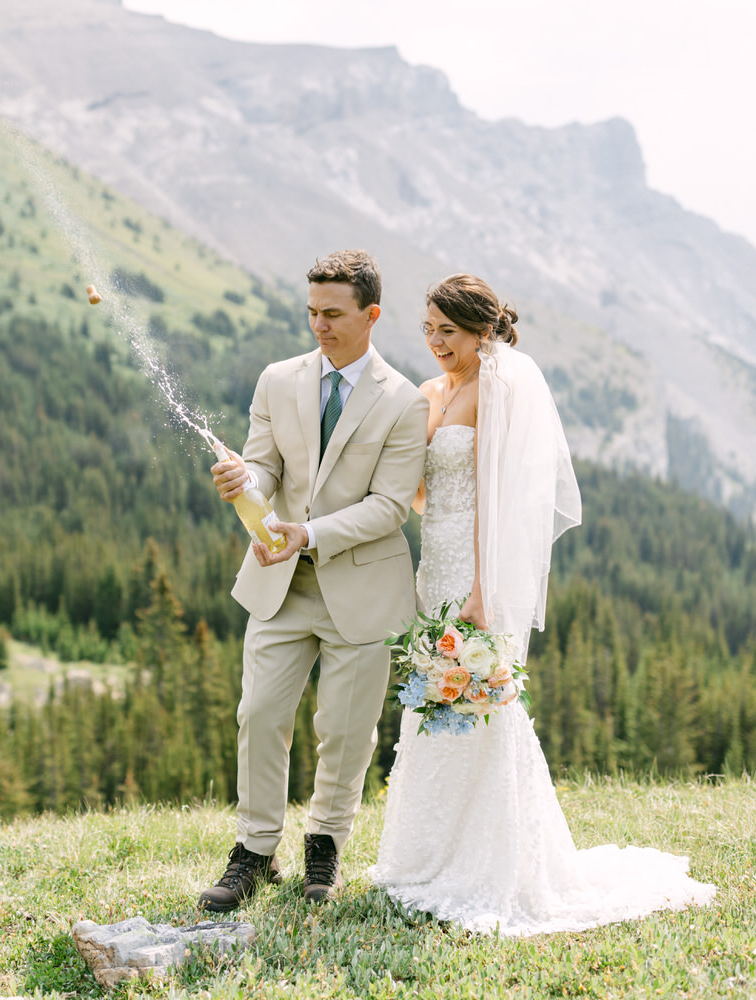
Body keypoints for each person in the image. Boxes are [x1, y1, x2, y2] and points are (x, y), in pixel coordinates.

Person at [368, 273, 716, 935]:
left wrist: (480, 589)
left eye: (450, 331)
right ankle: (423, 856)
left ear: (481, 331)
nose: (437, 342)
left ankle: (492, 864)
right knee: (434, 702)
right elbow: (422, 495)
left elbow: (502, 500)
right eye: (430, 330)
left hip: (477, 574)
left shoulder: (501, 390)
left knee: (481, 707)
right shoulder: (428, 393)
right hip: (432, 562)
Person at [202, 250, 429, 911]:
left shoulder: (404, 401)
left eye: (333, 314)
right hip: (279, 582)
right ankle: (253, 851)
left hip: (361, 589)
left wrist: (312, 533)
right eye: (311, 313)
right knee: (260, 713)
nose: (319, 326)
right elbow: (264, 468)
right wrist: (245, 485)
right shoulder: (277, 379)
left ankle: (324, 847)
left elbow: (390, 508)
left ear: (371, 315)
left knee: (347, 729)